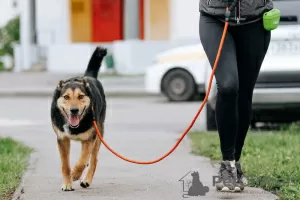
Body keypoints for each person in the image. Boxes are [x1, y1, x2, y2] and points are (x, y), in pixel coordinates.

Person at [199, 0, 273, 192]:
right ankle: (227, 164)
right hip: (215, 18)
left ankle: (233, 163)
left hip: (255, 21)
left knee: (244, 93)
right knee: (229, 86)